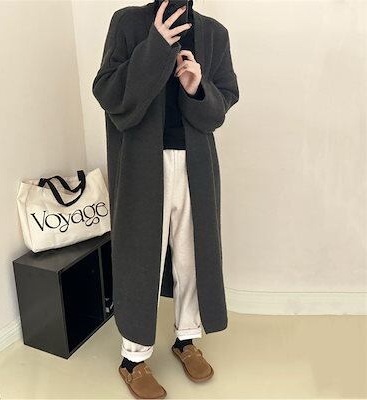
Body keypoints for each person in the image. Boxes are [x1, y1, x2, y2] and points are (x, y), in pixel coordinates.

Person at [92, 1, 239, 398]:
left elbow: (223, 102)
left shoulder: (214, 33)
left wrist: (197, 88)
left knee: (192, 254)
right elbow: (109, 92)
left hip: (196, 165)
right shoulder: (128, 22)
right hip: (143, 165)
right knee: (141, 256)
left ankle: (186, 338)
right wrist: (155, 47)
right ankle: (133, 358)